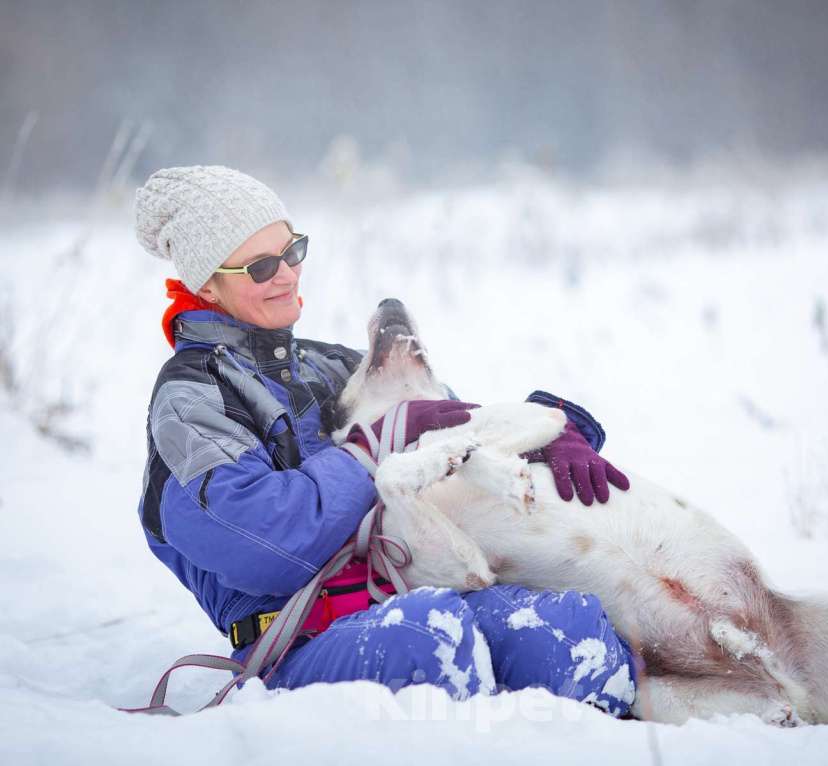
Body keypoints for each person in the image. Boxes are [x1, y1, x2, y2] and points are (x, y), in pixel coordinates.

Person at [134, 165, 638, 716]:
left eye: (292, 251)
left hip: (421, 587)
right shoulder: (192, 402)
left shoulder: (327, 366)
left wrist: (550, 433)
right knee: (431, 638)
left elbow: (451, 426)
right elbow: (266, 546)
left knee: (569, 630)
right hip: (303, 637)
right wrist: (366, 451)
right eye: (260, 266)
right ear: (207, 283)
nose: (286, 275)